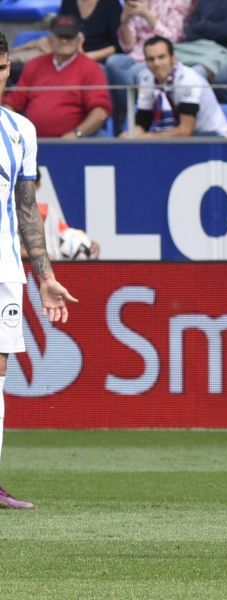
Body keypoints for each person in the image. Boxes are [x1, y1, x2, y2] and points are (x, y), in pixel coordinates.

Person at [0, 32, 78, 510]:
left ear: (9, 66)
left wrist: (45, 275)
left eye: (0, 67)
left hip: (4, 267)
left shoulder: (21, 130)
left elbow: (27, 207)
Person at [2, 16, 112, 138]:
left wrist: (77, 134)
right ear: (50, 39)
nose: (64, 41)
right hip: (33, 141)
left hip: (78, 141)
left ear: (78, 40)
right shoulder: (34, 65)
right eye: (60, 36)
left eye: (69, 36)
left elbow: (100, 111)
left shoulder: (91, 68)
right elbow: (13, 102)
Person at [105, 0, 191, 133]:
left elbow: (173, 39)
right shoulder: (135, 2)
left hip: (157, 58)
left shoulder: (175, 3)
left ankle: (133, 117)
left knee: (140, 74)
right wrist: (125, 21)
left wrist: (148, 16)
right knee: (113, 63)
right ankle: (127, 111)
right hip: (135, 55)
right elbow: (128, 46)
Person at [126, 36, 227, 137]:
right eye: (151, 59)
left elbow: (186, 131)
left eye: (161, 57)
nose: (156, 63)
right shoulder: (146, 78)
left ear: (173, 58)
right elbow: (143, 119)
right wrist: (131, 136)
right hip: (189, 137)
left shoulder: (188, 79)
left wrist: (147, 138)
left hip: (213, 136)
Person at [22, 170, 101, 261]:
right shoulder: (8, 216)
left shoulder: (48, 212)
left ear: (37, 185)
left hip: (52, 268)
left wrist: (89, 244)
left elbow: (66, 235)